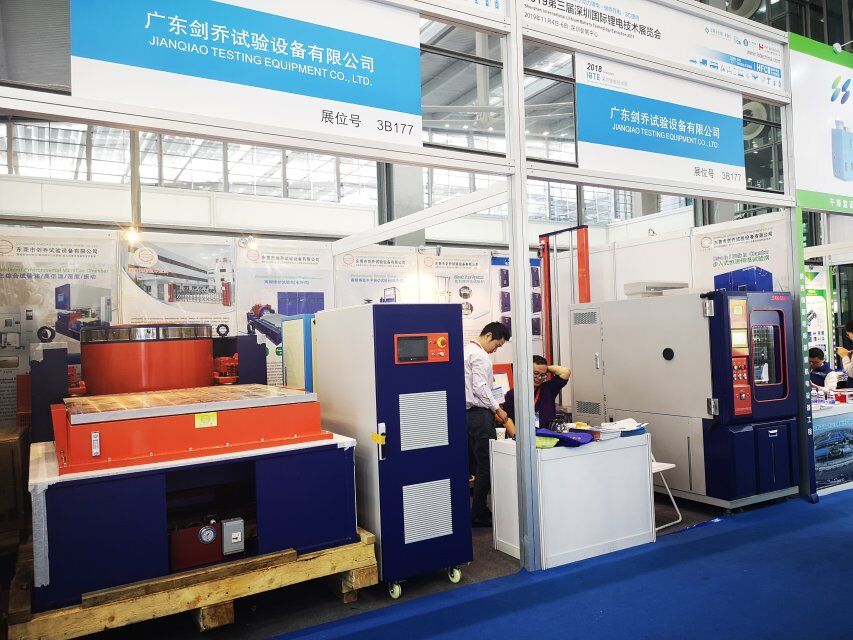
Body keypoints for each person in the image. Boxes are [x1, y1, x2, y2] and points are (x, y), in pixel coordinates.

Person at [465, 321, 511, 528]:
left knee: (476, 464)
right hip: (479, 415)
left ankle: (478, 510)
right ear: (489, 335)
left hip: (469, 415)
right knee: (486, 465)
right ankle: (479, 513)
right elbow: (480, 387)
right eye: (497, 345)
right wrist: (497, 409)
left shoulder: (466, 350)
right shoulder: (480, 355)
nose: (495, 350)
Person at [502, 356, 571, 431]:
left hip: (549, 435)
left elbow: (565, 372)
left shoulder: (549, 388)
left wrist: (545, 368)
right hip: (524, 435)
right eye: (535, 373)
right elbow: (507, 420)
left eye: (543, 375)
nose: (539, 378)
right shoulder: (513, 394)